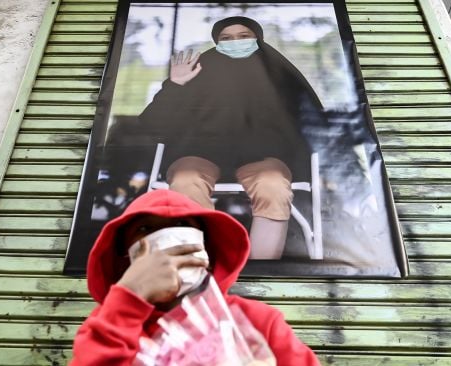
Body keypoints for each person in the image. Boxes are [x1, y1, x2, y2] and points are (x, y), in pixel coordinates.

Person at [137, 16, 326, 260]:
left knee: (273, 184)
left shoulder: (279, 74)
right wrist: (175, 84)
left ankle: (261, 268)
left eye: (243, 36)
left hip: (265, 157)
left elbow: (312, 121)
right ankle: (203, 264)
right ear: (216, 42)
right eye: (226, 38)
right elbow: (153, 123)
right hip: (198, 154)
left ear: (258, 38)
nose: (235, 41)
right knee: (186, 180)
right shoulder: (198, 70)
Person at [70, 189, 321, 365]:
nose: (167, 239)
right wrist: (129, 296)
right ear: (124, 255)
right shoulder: (109, 325)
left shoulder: (256, 320)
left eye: (181, 226)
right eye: (145, 228)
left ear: (205, 248)